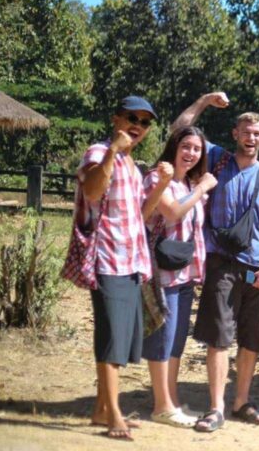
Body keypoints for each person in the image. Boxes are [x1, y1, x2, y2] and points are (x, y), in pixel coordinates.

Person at [172, 92, 259, 432]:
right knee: (219, 338)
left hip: (258, 269)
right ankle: (215, 408)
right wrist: (205, 101)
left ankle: (241, 402)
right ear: (235, 134)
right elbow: (180, 131)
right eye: (246, 132)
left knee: (252, 340)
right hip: (221, 263)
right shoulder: (216, 160)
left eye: (258, 133)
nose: (251, 138)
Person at [77, 96, 161, 441]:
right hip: (107, 260)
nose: (137, 126)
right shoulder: (99, 153)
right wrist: (112, 151)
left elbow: (140, 215)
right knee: (111, 339)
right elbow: (93, 191)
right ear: (116, 119)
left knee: (122, 340)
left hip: (132, 261)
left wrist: (165, 185)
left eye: (144, 122)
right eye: (132, 118)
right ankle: (114, 416)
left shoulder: (133, 165)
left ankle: (101, 409)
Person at [141, 126, 218, 428]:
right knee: (162, 338)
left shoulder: (187, 182)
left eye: (197, 149)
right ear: (174, 146)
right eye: (186, 146)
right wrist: (203, 189)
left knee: (175, 342)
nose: (191, 153)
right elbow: (172, 213)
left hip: (186, 272)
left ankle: (169, 400)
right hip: (162, 271)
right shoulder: (157, 180)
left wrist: (197, 187)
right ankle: (161, 406)